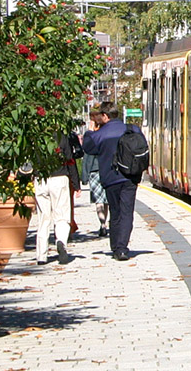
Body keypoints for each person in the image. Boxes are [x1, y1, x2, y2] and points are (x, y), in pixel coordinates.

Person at [82, 103, 134, 260]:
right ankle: (122, 248)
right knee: (126, 213)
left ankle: (116, 247)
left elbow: (87, 147)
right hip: (130, 177)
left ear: (105, 116)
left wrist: (90, 131)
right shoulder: (132, 129)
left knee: (115, 211)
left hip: (111, 178)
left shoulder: (101, 134)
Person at [35, 129, 78, 265]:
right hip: (59, 177)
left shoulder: (35, 136)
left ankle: (41, 255)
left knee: (44, 217)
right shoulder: (61, 137)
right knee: (62, 215)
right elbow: (70, 160)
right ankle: (61, 241)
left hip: (40, 179)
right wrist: (76, 183)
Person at [82, 112, 108, 238]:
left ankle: (103, 224)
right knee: (107, 200)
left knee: (99, 201)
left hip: (94, 171)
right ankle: (106, 223)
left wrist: (84, 176)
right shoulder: (106, 134)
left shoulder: (92, 137)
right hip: (108, 170)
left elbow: (87, 156)